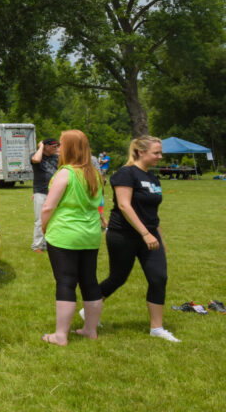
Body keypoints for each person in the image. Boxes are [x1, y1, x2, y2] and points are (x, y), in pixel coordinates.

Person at [96, 136, 179, 342]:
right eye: (156, 153)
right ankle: (89, 310)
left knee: (158, 277)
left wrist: (159, 237)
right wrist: (144, 233)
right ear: (141, 152)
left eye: (161, 153)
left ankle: (157, 328)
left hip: (150, 236)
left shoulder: (152, 178)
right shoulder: (125, 174)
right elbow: (125, 206)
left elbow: (151, 212)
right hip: (123, 235)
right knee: (118, 278)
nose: (160, 157)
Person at [40, 129, 105, 345]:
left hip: (65, 235)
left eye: (60, 144)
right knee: (90, 282)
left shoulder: (65, 173)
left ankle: (60, 335)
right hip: (90, 235)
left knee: (66, 282)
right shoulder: (94, 174)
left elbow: (48, 206)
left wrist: (44, 227)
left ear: (68, 148)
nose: (58, 148)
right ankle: (90, 330)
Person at [30, 138, 60, 253]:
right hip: (40, 192)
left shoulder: (56, 158)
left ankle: (49, 244)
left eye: (57, 146)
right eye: (53, 146)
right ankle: (37, 246)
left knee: (53, 220)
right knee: (40, 220)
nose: (56, 148)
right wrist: (41, 146)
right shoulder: (36, 155)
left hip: (54, 193)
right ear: (46, 146)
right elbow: (36, 160)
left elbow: (65, 152)